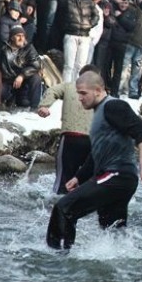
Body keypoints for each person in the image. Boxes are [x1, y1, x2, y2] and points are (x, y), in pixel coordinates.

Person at [46, 71, 142, 250]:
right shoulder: (99, 113)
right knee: (112, 232)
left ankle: (57, 258)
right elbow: (97, 151)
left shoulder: (114, 107)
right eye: (77, 93)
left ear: (98, 90)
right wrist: (79, 177)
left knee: (63, 208)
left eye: (83, 93)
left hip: (116, 175)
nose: (79, 98)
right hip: (119, 178)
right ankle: (125, 263)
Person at [37, 65, 100, 194]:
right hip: (93, 142)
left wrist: (44, 106)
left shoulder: (69, 86)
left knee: (63, 181)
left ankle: (56, 207)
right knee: (88, 180)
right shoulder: (99, 93)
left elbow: (52, 91)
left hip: (70, 138)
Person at [0, 25, 42, 109]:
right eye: (18, 36)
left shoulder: (29, 48)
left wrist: (22, 75)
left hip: (23, 83)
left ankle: (35, 107)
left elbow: (36, 64)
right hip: (7, 81)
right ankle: (9, 99)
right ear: (12, 38)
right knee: (0, 95)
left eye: (23, 36)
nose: (21, 38)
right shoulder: (1, 49)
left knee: (36, 77)